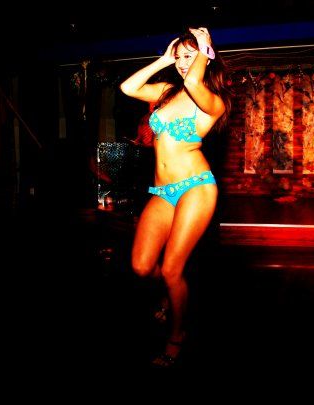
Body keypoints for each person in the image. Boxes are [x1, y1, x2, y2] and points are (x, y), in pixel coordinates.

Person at [119, 27, 231, 368]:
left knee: (171, 268)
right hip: (162, 191)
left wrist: (204, 47)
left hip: (196, 186)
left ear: (205, 57)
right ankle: (173, 291)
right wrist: (162, 61)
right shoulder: (167, 92)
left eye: (189, 55)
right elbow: (128, 88)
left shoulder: (212, 100)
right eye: (179, 56)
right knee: (141, 267)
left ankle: (177, 335)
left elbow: (195, 81)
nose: (183, 63)